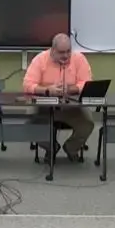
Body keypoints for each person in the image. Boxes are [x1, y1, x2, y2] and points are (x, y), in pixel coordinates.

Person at [23, 33, 94, 161]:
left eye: (68, 51)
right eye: (61, 52)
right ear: (53, 50)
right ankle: (51, 147)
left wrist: (71, 89)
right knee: (30, 125)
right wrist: (47, 90)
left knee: (87, 124)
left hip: (72, 107)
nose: (66, 55)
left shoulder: (79, 59)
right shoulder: (40, 59)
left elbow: (87, 82)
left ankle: (71, 148)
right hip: (45, 106)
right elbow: (27, 85)